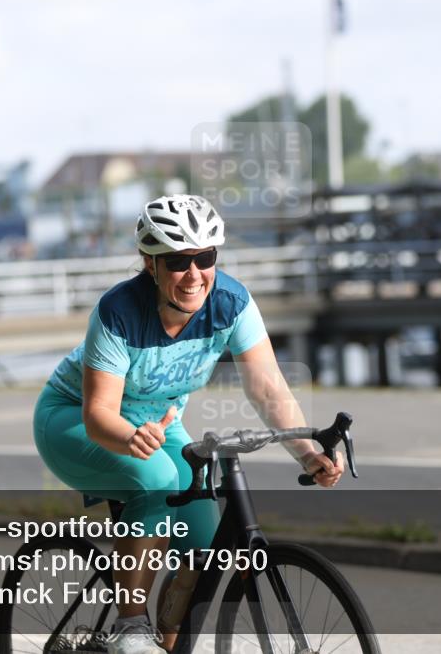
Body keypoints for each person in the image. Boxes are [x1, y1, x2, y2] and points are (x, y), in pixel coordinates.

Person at [33, 194, 344, 654]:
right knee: (156, 478)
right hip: (75, 419)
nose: (194, 274)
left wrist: (308, 451)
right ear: (150, 263)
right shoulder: (119, 311)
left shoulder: (231, 303)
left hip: (157, 422)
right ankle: (130, 627)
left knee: (203, 548)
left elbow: (268, 389)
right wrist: (129, 435)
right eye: (178, 261)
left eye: (205, 257)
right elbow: (99, 415)